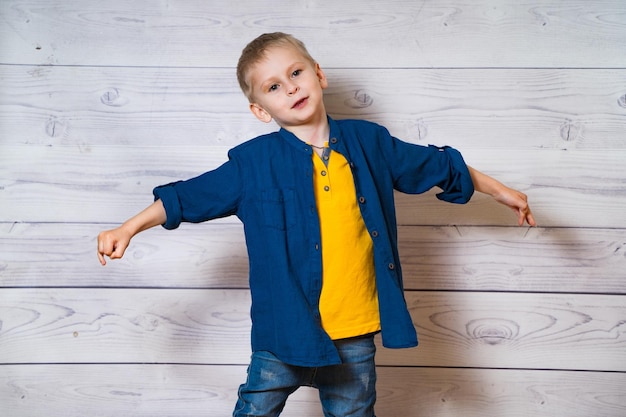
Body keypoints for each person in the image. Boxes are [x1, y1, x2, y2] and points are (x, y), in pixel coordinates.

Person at [97, 32, 535, 417]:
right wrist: (128, 228)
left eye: (296, 73)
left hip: (354, 331)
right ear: (260, 109)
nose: (290, 88)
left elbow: (438, 166)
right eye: (273, 86)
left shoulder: (370, 144)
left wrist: (499, 191)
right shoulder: (254, 163)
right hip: (282, 331)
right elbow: (186, 197)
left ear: (318, 74)